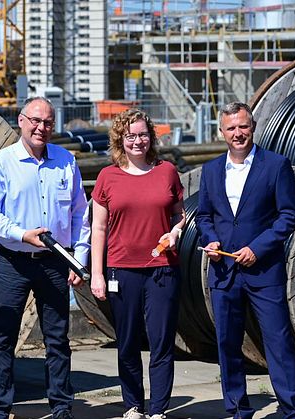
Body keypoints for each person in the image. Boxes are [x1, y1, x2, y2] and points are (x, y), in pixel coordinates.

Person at [0, 97, 89, 419]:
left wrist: (77, 260)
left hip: (55, 262)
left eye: (48, 122)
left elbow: (80, 213)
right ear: (21, 121)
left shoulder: (66, 161)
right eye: (36, 121)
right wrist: (20, 234)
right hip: (14, 260)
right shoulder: (1, 163)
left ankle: (62, 408)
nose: (42, 128)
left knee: (57, 339)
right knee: (3, 338)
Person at [195, 102, 295, 419]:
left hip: (263, 269)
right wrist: (210, 239)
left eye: (243, 126)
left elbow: (288, 216)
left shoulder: (276, 165)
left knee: (278, 342)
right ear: (222, 132)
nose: (238, 133)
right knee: (228, 344)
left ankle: (292, 412)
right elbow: (204, 217)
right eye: (231, 128)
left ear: (253, 127)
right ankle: (237, 409)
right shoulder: (211, 169)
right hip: (223, 271)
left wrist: (257, 248)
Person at [90, 108, 185, 419]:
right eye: (131, 135)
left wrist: (175, 231)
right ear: (121, 139)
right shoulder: (108, 177)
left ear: (151, 137)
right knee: (128, 341)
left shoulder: (167, 171)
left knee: (161, 342)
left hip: (162, 269)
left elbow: (178, 216)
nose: (138, 141)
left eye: (143, 134)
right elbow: (99, 228)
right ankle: (133, 406)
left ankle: (158, 410)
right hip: (121, 270)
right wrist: (97, 274)